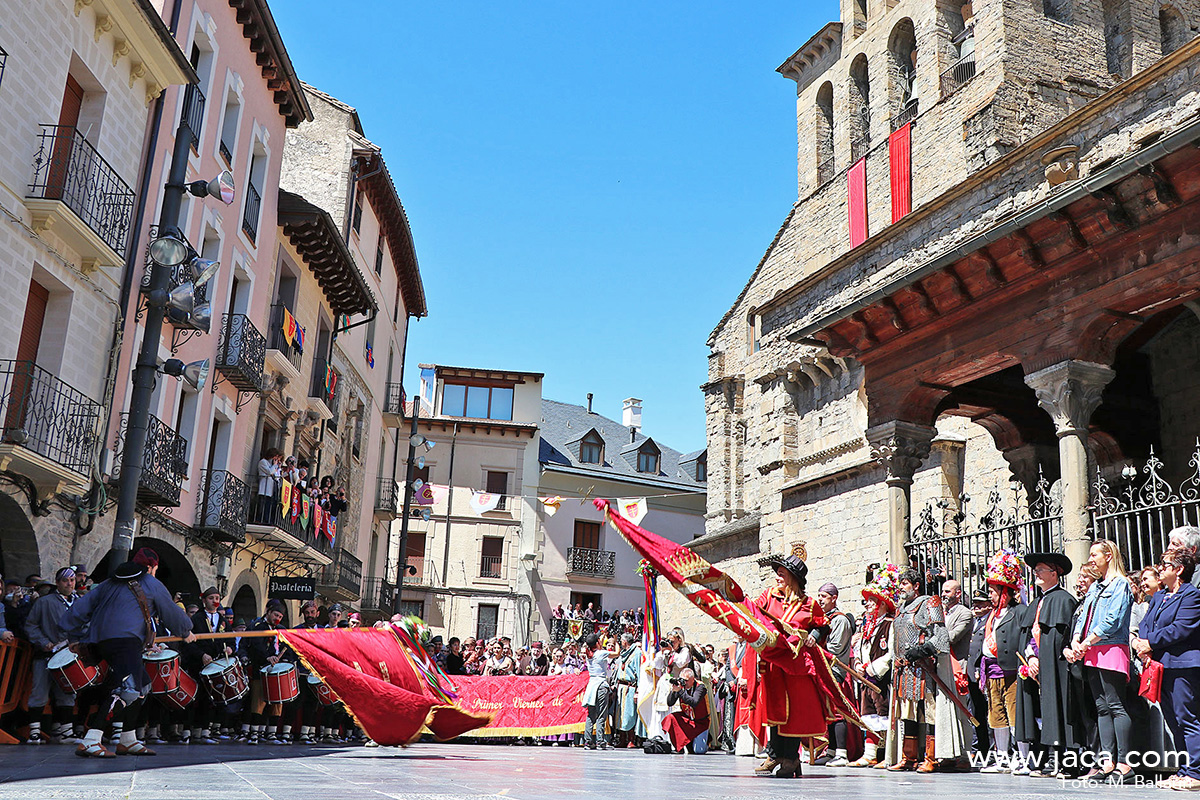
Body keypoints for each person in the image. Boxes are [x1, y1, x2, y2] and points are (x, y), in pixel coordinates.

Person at [61, 548, 195, 757]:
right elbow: (170, 610)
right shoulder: (151, 583)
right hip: (125, 642)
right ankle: (91, 739)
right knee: (130, 689)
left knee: (143, 684)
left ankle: (128, 739)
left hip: (102, 640)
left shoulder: (107, 583)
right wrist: (185, 630)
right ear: (151, 567)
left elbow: (80, 608)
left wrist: (75, 636)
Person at [743, 544, 834, 779]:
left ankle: (791, 759)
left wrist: (813, 637)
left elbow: (821, 625)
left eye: (781, 574)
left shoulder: (809, 603)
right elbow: (753, 615)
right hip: (773, 664)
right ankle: (775, 755)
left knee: (793, 713)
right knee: (774, 711)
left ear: (793, 577)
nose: (777, 577)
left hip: (796, 666)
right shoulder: (768, 597)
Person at [886, 567, 968, 773]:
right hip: (905, 670)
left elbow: (941, 637)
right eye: (900, 583)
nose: (901, 587)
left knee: (929, 713)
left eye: (905, 583)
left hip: (924, 668)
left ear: (916, 586)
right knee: (908, 714)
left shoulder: (929, 603)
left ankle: (931, 757)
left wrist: (922, 650)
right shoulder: (901, 608)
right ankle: (909, 757)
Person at [1067, 540, 1134, 783]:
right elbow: (1084, 615)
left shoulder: (1120, 585)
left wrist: (1087, 641)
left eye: (1095, 554)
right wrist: (1077, 639)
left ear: (1109, 555)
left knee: (1116, 705)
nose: (1091, 558)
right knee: (1101, 708)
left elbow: (1113, 619)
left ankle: (1125, 764)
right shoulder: (1096, 587)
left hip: (1111, 648)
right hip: (1093, 650)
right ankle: (1108, 762)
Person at [1133, 549, 1200, 790]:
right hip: (1161, 664)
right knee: (1172, 719)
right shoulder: (1160, 596)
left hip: (1182, 665)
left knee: (1187, 717)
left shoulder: (1191, 595)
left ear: (1179, 570)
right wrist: (1140, 643)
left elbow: (1182, 628)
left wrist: (1150, 642)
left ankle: (1196, 771)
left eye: (1165, 564)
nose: (1160, 568)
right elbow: (1145, 624)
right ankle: (1183, 770)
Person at [1014, 552, 1079, 779]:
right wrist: (1031, 657)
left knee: (1060, 711)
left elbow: (1064, 637)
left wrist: (1045, 660)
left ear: (1055, 573)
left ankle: (1066, 764)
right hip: (1035, 666)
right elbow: (1029, 636)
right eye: (1036, 570)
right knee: (1037, 713)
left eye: (1041, 569)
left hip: (1056, 667)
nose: (1036, 573)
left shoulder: (1064, 600)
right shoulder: (1036, 603)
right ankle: (1038, 762)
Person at [978, 550, 1024, 774]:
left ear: (1005, 591)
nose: (990, 595)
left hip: (1012, 671)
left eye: (993, 591)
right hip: (992, 670)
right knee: (996, 714)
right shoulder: (992, 614)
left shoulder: (1019, 612)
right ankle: (1002, 758)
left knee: (1016, 713)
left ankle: (1024, 758)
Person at [849, 565, 899, 767]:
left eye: (872, 601)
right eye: (868, 601)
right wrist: (860, 664)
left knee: (883, 712)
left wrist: (874, 667)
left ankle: (886, 754)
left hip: (881, 677)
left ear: (883, 604)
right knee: (868, 713)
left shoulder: (890, 623)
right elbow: (861, 647)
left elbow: (892, 652)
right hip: (866, 677)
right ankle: (869, 753)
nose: (868, 604)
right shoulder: (867, 625)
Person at [24, 566, 79, 743]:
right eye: (65, 580)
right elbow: (31, 625)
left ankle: (66, 733)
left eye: (72, 580)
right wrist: (43, 642)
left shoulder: (79, 603)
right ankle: (34, 732)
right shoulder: (44, 602)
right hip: (46, 655)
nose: (69, 583)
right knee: (39, 692)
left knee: (67, 694)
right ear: (57, 582)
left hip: (69, 657)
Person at [183, 586, 230, 745]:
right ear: (204, 600)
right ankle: (187, 731)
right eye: (211, 598)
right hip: (198, 663)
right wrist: (201, 655)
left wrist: (231, 648)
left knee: (210, 699)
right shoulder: (196, 619)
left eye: (217, 598)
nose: (215, 601)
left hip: (214, 665)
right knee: (194, 697)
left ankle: (203, 731)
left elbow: (231, 639)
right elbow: (188, 642)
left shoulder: (222, 621)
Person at [240, 599, 289, 745]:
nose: (277, 619)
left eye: (280, 616)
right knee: (258, 700)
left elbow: (287, 649)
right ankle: (254, 733)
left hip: (276, 671)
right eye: (275, 615)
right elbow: (253, 647)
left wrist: (285, 661)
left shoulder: (281, 629)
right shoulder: (256, 627)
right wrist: (267, 657)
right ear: (268, 612)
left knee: (277, 701)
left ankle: (271, 733)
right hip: (259, 669)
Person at [816, 582, 855, 767]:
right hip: (823, 670)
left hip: (835, 670)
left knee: (838, 711)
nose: (820, 600)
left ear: (834, 598)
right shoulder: (825, 618)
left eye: (823, 596)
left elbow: (835, 648)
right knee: (829, 711)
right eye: (819, 596)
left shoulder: (839, 620)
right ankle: (831, 750)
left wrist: (813, 645)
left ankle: (841, 753)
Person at [663, 667, 710, 753]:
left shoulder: (700, 687)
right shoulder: (681, 687)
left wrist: (680, 691)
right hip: (688, 720)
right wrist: (673, 691)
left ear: (693, 679)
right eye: (683, 680)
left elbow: (694, 702)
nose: (685, 683)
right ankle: (678, 747)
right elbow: (670, 703)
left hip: (700, 722)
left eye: (687, 680)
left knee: (699, 751)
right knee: (671, 718)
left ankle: (707, 741)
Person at [580, 633, 613, 749]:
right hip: (601, 685)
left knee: (590, 715)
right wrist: (616, 640)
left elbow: (597, 648)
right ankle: (600, 741)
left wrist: (601, 639)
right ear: (597, 642)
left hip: (592, 685)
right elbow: (617, 653)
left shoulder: (589, 654)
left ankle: (588, 741)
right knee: (601, 714)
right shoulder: (601, 653)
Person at [612, 632, 640, 745]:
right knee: (620, 715)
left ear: (624, 642)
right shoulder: (623, 654)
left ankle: (631, 740)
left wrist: (637, 690)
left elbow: (638, 671)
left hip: (630, 687)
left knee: (629, 714)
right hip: (621, 687)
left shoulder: (636, 653)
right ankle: (622, 738)